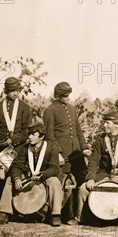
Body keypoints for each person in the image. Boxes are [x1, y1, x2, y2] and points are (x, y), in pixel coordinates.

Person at [0, 122, 63, 227]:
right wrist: (17, 178)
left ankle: (55, 215)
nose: (30, 137)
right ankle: (3, 213)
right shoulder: (25, 148)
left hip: (44, 176)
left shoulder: (52, 148)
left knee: (54, 182)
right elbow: (16, 166)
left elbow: (54, 168)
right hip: (29, 175)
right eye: (29, 134)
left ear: (42, 136)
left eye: (33, 134)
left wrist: (43, 174)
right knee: (10, 180)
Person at [75, 109, 118, 224]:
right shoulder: (100, 139)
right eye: (104, 122)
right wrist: (91, 178)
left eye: (107, 123)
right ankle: (81, 218)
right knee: (83, 189)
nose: (104, 125)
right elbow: (94, 161)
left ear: (116, 124)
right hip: (105, 175)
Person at [43, 82, 91, 223]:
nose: (67, 97)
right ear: (57, 95)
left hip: (76, 153)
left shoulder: (72, 109)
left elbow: (78, 131)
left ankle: (84, 214)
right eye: (64, 95)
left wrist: (85, 147)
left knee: (84, 180)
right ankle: (55, 215)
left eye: (68, 94)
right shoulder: (50, 110)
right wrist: (57, 153)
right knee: (58, 182)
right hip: (61, 154)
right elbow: (49, 135)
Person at [0, 77, 32, 152]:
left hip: (19, 148)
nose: (15, 93)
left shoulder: (25, 107)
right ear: (6, 91)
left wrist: (13, 139)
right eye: (12, 90)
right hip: (0, 148)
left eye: (17, 90)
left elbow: (27, 131)